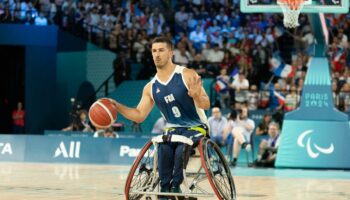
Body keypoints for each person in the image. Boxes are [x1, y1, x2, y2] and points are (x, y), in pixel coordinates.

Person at [108, 37, 210, 198]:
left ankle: (177, 187)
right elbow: (139, 115)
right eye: (154, 51)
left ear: (171, 53)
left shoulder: (187, 74)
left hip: (196, 126)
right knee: (164, 148)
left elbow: (206, 104)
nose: (157, 54)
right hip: (173, 129)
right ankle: (164, 190)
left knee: (179, 148)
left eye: (161, 50)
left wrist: (197, 96)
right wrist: (117, 107)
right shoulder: (150, 87)